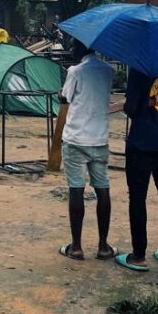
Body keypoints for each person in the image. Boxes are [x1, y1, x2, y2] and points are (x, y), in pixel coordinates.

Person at [116, 69, 158, 272]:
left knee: (138, 197)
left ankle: (138, 256)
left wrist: (133, 106)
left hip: (141, 144)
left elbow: (131, 108)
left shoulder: (140, 72)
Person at [58, 41, 116, 261]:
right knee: (102, 189)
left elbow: (66, 98)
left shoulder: (75, 71)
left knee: (76, 190)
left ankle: (76, 247)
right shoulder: (108, 71)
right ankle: (103, 246)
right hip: (99, 138)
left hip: (75, 138)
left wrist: (61, 93)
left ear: (79, 51)